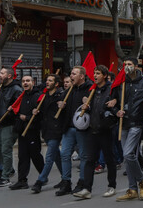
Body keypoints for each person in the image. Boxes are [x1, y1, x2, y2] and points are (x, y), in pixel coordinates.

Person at [74, 65, 118, 199]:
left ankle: (112, 186)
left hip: (106, 129)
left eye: (98, 73)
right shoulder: (92, 90)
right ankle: (87, 189)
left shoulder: (111, 90)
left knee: (109, 159)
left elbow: (117, 107)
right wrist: (86, 104)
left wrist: (114, 104)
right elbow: (89, 108)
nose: (95, 76)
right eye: (94, 73)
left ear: (104, 75)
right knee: (89, 160)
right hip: (92, 129)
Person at [115, 57, 143, 201]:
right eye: (125, 64)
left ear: (136, 66)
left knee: (128, 153)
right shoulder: (121, 82)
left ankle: (142, 181)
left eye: (129, 64)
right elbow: (114, 101)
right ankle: (132, 189)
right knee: (127, 157)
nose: (127, 66)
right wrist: (116, 111)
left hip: (136, 123)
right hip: (123, 123)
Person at [55, 66, 93, 196]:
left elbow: (95, 106)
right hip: (69, 128)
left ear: (82, 76)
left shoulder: (89, 88)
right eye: (71, 74)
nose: (71, 76)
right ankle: (66, 182)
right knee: (65, 154)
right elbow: (60, 101)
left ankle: (82, 182)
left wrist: (88, 104)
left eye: (74, 74)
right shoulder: (70, 89)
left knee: (83, 156)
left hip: (82, 128)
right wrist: (60, 104)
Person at [31, 74, 64, 194]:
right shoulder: (44, 96)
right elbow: (42, 113)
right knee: (56, 155)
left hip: (55, 130)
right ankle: (65, 178)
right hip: (46, 130)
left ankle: (40, 181)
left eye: (50, 81)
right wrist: (36, 111)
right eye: (47, 80)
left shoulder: (61, 96)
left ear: (56, 84)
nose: (47, 82)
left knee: (49, 157)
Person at [10, 75, 44, 190]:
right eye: (23, 81)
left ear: (33, 82)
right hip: (22, 130)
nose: (25, 83)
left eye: (28, 81)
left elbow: (40, 115)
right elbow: (17, 112)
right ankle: (22, 180)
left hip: (32, 130)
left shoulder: (38, 96)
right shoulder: (21, 96)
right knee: (22, 156)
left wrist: (28, 118)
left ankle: (43, 175)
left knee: (35, 155)